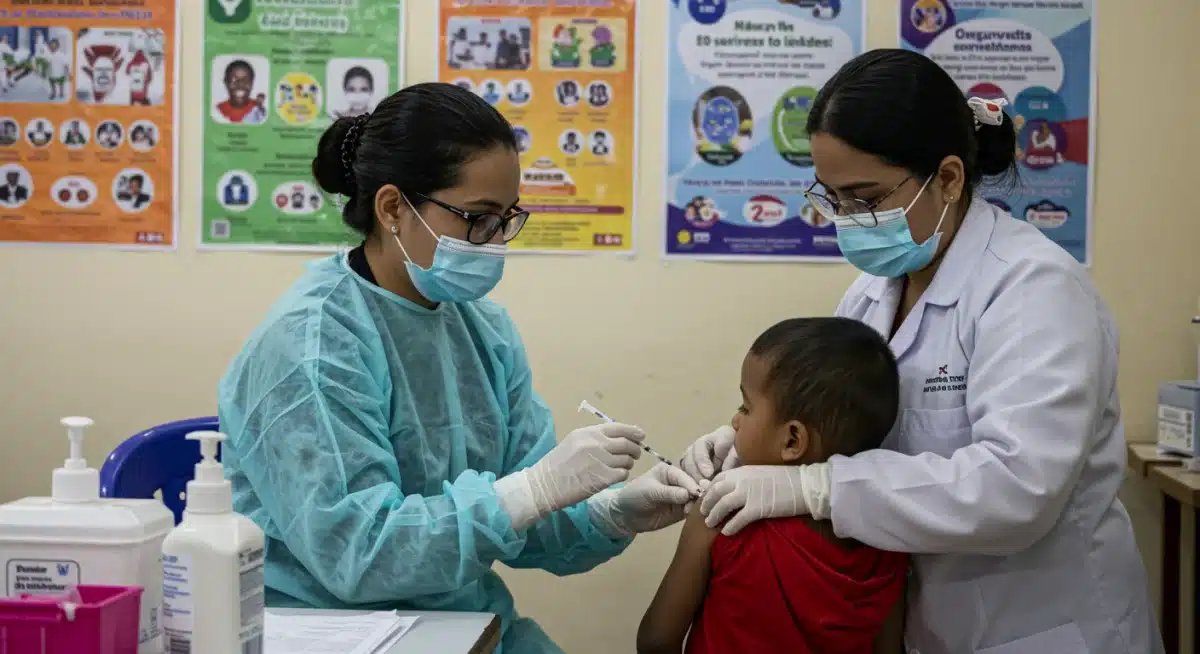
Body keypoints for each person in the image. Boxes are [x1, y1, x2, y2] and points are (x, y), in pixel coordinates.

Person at [679, 49, 1163, 654]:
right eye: (834, 198)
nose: (849, 219)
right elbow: (832, 416)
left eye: (867, 197)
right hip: (926, 623)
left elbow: (1020, 488)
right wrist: (756, 439)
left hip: (1042, 627)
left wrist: (818, 488)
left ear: (950, 178)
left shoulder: (1035, 288)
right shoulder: (869, 294)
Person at [218, 82, 701, 654]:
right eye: (476, 218)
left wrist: (617, 511)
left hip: (465, 629)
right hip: (335, 631)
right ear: (393, 208)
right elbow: (359, 554)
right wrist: (530, 489)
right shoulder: (314, 343)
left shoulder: (481, 329)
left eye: (505, 218)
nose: (494, 241)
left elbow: (525, 518)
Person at [638, 317, 908, 654]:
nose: (734, 421)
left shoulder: (722, 520)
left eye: (745, 407)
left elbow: (656, 640)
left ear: (793, 439)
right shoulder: (887, 542)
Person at [216, 59, 264, 124]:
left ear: (252, 83)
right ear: (226, 82)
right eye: (234, 80)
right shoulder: (217, 110)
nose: (240, 85)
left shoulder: (259, 109)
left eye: (246, 80)